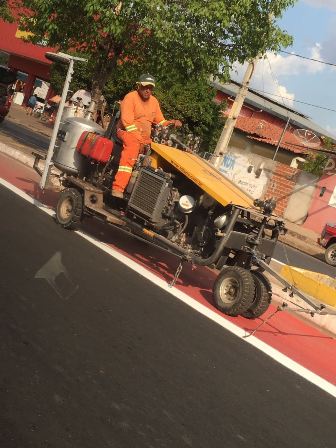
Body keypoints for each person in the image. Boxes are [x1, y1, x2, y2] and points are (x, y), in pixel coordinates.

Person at [111, 73, 182, 198]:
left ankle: (143, 194)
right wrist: (140, 140)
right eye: (145, 87)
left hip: (144, 138)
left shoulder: (154, 102)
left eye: (150, 87)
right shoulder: (130, 97)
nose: (148, 90)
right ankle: (118, 188)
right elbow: (127, 122)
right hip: (126, 132)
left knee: (156, 154)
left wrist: (171, 122)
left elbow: (160, 121)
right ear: (138, 86)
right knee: (132, 147)